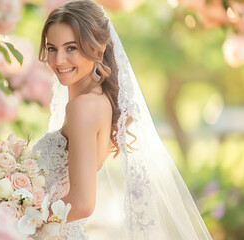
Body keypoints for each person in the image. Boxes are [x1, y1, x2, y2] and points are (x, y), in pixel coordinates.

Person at [32, 0, 213, 239]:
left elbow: (83, 203)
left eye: (71, 48)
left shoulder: (82, 107)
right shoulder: (102, 101)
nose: (58, 60)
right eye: (52, 48)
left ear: (98, 47)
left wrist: (23, 220)